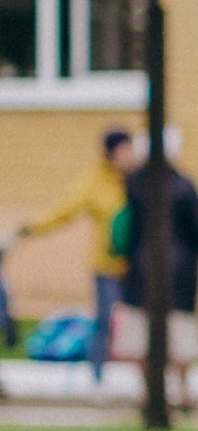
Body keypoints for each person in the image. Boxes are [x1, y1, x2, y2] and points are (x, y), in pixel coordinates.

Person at [10, 126, 135, 380]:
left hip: (137, 266)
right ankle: (98, 379)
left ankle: (147, 382)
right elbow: (66, 209)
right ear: (111, 153)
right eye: (124, 150)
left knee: (140, 326)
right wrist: (33, 226)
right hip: (107, 267)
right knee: (104, 323)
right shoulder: (96, 181)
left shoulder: (140, 179)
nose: (130, 155)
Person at [114, 129, 198, 413]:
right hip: (181, 274)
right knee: (180, 333)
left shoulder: (134, 185)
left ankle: (148, 392)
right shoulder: (184, 186)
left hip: (140, 271)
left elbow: (128, 231)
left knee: (140, 334)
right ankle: (183, 392)